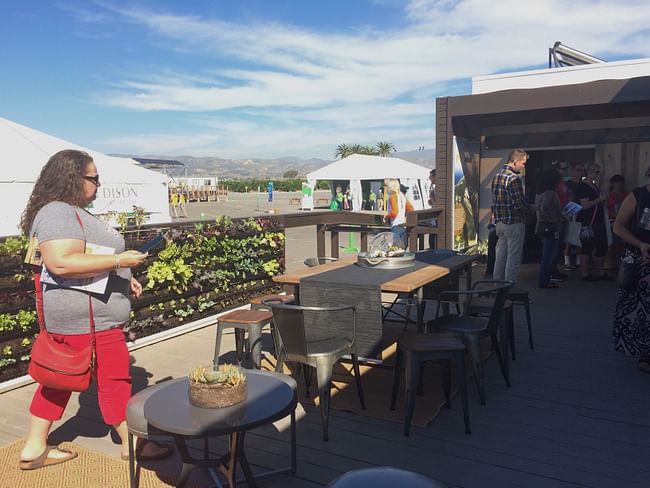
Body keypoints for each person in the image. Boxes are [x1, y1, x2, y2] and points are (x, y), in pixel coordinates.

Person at [18, 150, 171, 470]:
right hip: (91, 323)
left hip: (79, 319)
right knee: (115, 379)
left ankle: (34, 448)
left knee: (59, 379)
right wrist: (119, 261)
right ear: (72, 178)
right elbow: (61, 262)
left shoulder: (63, 212)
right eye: (94, 178)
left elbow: (82, 259)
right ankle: (133, 444)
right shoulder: (58, 212)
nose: (99, 185)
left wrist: (121, 279)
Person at [612, 166, 650, 372]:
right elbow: (618, 226)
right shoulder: (638, 196)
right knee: (641, 311)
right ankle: (645, 353)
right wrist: (639, 244)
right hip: (639, 261)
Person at [491, 148, 530, 284]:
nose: (523, 166)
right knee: (513, 258)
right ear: (515, 161)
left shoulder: (496, 176)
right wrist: (530, 207)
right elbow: (518, 204)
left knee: (500, 256)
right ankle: (509, 289)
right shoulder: (514, 179)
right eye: (523, 163)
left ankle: (496, 286)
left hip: (500, 223)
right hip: (514, 222)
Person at [574, 162, 610, 281]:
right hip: (588, 220)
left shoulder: (594, 186)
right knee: (587, 246)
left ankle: (599, 270)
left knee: (602, 245)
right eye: (596, 172)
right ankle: (585, 272)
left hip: (597, 219)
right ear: (589, 172)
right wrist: (600, 199)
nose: (598, 175)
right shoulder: (583, 187)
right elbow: (585, 205)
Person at [535, 169, 563, 288]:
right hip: (550, 226)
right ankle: (544, 280)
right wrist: (555, 218)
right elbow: (545, 208)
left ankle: (545, 279)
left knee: (546, 253)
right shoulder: (550, 193)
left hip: (541, 225)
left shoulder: (539, 192)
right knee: (549, 255)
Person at [563, 162, 585, 270]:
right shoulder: (567, 184)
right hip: (570, 212)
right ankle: (567, 261)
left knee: (580, 237)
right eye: (578, 170)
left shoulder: (584, 185)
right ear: (573, 171)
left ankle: (578, 261)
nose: (580, 172)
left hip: (582, 212)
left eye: (582, 170)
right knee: (569, 237)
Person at [608, 174, 629, 265]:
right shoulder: (608, 195)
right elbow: (607, 209)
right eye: (616, 182)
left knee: (624, 244)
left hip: (626, 222)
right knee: (613, 244)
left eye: (620, 183)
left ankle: (622, 263)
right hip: (612, 222)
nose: (618, 185)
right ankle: (614, 263)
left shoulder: (627, 194)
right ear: (612, 184)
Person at [384, 179, 410, 246]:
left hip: (396, 224)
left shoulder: (393, 196)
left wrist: (387, 216)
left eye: (387, 186)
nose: (386, 188)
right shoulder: (402, 195)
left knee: (396, 246)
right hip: (403, 224)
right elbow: (410, 208)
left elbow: (394, 213)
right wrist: (406, 217)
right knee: (403, 246)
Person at [428, 169, 437, 249]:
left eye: (431, 176)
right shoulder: (435, 189)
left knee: (432, 242)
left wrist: (432, 198)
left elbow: (436, 205)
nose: (429, 178)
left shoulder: (438, 190)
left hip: (437, 220)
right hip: (434, 220)